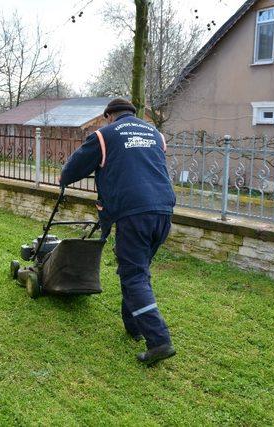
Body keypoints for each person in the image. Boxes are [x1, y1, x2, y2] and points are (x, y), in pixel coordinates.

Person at [59, 98, 177, 365]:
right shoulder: (155, 134)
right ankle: (134, 326)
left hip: (134, 212)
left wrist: (62, 178)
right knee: (136, 269)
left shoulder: (104, 135)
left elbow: (74, 168)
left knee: (134, 275)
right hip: (164, 210)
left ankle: (159, 341)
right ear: (133, 114)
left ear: (109, 116)